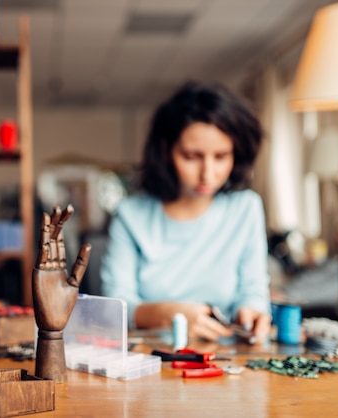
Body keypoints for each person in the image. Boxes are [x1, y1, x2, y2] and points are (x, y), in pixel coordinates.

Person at [100, 82, 271, 343]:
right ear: (167, 150)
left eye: (222, 156)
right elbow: (115, 306)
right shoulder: (130, 215)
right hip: (149, 356)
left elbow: (253, 288)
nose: (208, 173)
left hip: (225, 354)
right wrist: (168, 315)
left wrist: (253, 311)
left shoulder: (246, 208)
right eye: (192, 156)